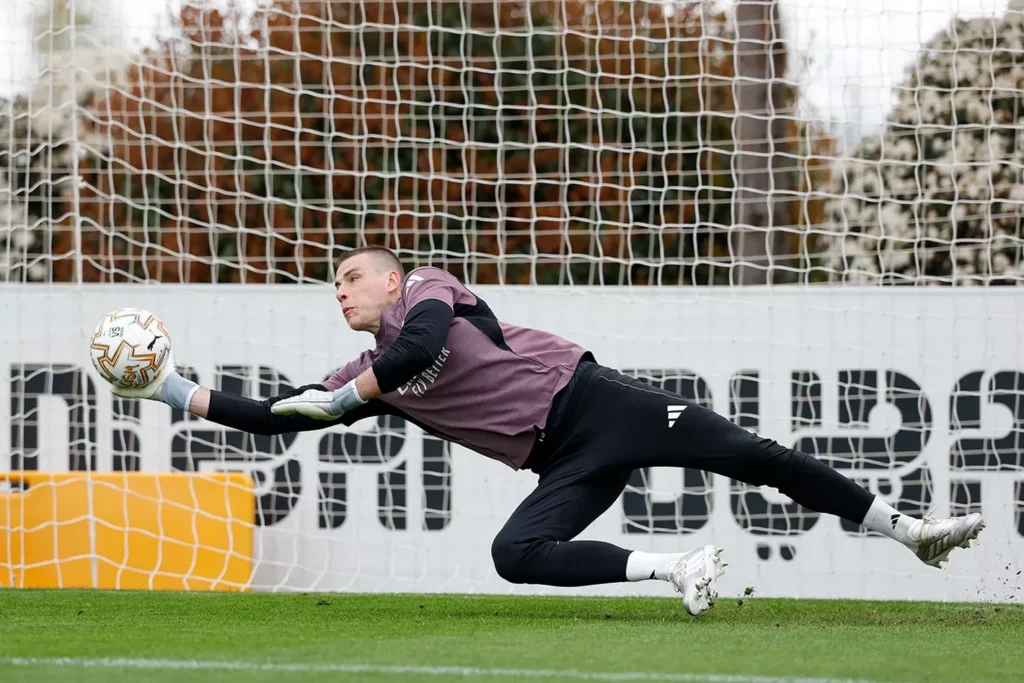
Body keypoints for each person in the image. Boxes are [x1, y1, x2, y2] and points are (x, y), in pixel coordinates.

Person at [118, 245, 985, 615]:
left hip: (595, 400)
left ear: (387, 279)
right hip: (559, 456)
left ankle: (911, 533)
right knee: (512, 553)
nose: (340, 292)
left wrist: (347, 398)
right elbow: (276, 419)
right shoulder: (359, 378)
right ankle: (675, 567)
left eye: (351, 279)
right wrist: (168, 388)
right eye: (333, 287)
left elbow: (424, 343)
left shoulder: (425, 286)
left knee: (752, 454)